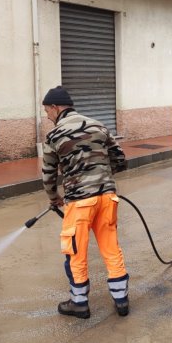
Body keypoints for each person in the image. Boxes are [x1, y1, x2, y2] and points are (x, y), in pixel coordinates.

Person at [41, 86, 129, 319]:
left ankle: (79, 304)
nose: (47, 116)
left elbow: (48, 175)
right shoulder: (98, 125)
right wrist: (102, 177)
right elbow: (120, 160)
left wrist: (54, 198)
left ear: (55, 107)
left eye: (47, 111)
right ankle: (121, 300)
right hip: (107, 197)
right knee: (111, 248)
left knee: (76, 252)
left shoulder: (53, 136)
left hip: (79, 203)